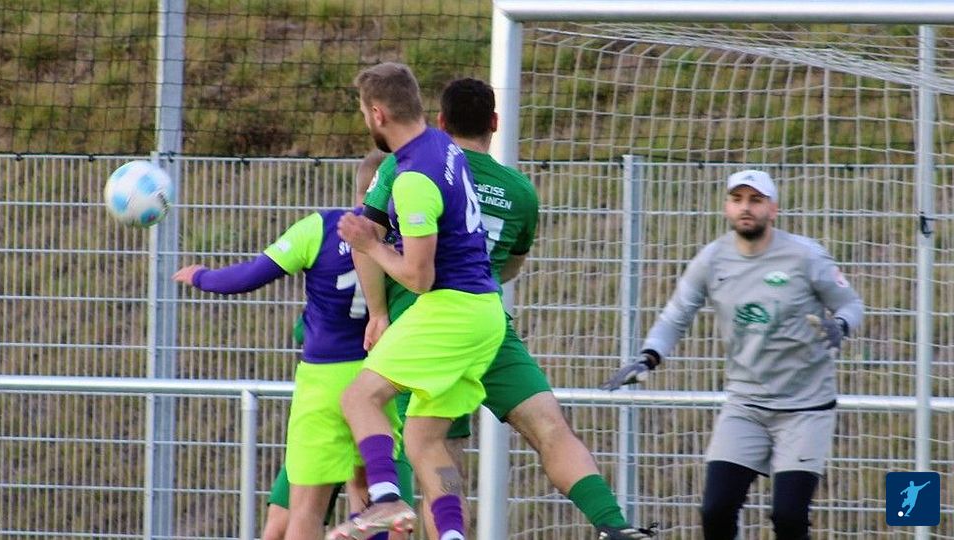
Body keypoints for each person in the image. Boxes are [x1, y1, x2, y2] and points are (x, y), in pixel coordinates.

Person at [361, 77, 657, 540]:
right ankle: (613, 525)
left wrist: (378, 312)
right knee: (549, 426)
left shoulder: (411, 165)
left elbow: (368, 237)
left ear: (440, 121)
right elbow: (511, 266)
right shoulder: (520, 191)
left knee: (432, 456)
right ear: (495, 123)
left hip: (423, 330)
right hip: (488, 326)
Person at [602, 170, 864, 540]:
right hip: (745, 406)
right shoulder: (712, 259)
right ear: (727, 206)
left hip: (805, 409)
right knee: (716, 509)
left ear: (773, 209)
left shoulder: (805, 256)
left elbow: (851, 304)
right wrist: (648, 357)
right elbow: (676, 316)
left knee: (789, 517)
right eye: (737, 199)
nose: (746, 208)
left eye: (756, 200)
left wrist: (841, 324)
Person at [328, 63, 506, 540]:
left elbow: (419, 277)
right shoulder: (443, 147)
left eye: (363, 113)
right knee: (426, 441)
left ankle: (386, 499)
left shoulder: (413, 179)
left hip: (451, 310)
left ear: (378, 114)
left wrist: (370, 245)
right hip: (483, 312)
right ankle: (452, 534)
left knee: (359, 397)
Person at [172, 201, 402, 540]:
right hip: (376, 377)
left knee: (306, 509)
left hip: (323, 379)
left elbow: (250, 276)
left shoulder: (321, 228)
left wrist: (201, 276)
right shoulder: (404, 236)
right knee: (372, 498)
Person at [256, 154, 413, 540]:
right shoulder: (409, 253)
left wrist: (203, 276)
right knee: (383, 502)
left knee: (289, 518)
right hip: (386, 396)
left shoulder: (328, 234)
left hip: (329, 392)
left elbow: (300, 328)